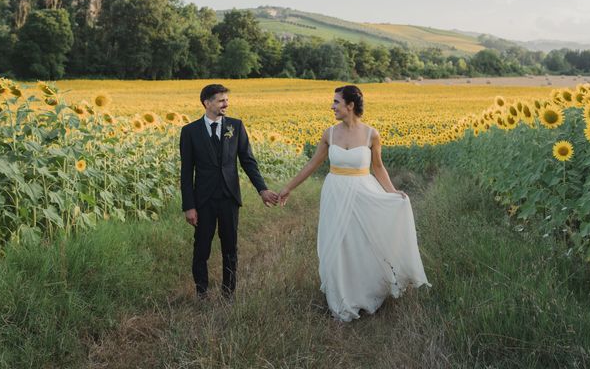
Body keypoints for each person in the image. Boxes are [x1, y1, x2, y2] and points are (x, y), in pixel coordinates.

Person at [278, 85, 430, 321]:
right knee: (337, 245)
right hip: (335, 194)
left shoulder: (371, 134)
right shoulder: (329, 133)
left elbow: (378, 167)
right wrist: (288, 188)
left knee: (362, 245)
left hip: (363, 193)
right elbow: (312, 164)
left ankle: (365, 292)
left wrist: (392, 192)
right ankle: (340, 300)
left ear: (350, 105)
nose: (332, 106)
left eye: (336, 102)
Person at [180, 84, 279, 299]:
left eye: (227, 100)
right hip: (203, 200)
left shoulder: (236, 126)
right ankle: (201, 292)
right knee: (201, 248)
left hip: (229, 198)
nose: (226, 104)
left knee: (230, 247)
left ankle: (228, 292)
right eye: (221, 100)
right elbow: (186, 172)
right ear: (207, 103)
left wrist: (262, 189)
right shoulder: (189, 132)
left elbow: (248, 161)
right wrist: (189, 206)